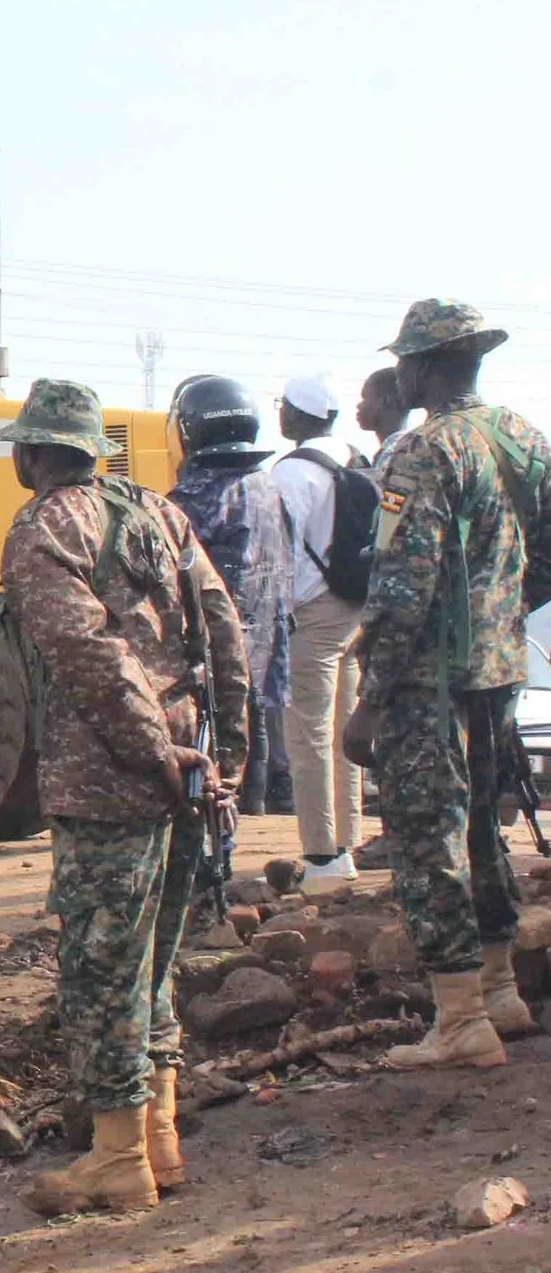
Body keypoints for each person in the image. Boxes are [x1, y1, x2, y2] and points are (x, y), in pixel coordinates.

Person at [0, 380, 248, 1216]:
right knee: (154, 959)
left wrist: (154, 754)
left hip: (113, 778)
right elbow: (225, 628)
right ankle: (160, 1136)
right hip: (181, 767)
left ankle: (115, 1156)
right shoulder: (160, 514)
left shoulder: (44, 527)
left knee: (104, 966)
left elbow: (93, 658)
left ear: (35, 453)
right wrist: (223, 758)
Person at [342, 301, 551, 1069]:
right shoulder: (520, 437)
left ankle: (460, 1018)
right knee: (480, 832)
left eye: (404, 360)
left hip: (429, 679)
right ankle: (499, 991)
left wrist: (370, 700)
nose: (398, 372)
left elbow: (402, 585)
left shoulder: (424, 451)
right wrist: (506, 608)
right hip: (498, 668)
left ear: (425, 366)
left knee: (428, 837)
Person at [165, 375, 291, 818]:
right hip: (264, 649)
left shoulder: (187, 501)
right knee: (252, 745)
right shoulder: (267, 489)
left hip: (214, 659)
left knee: (218, 765)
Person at [269, 373, 364, 890]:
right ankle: (345, 845)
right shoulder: (354, 458)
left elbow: (277, 555)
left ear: (301, 414)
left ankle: (322, 857)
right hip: (356, 610)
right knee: (345, 731)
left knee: (306, 733)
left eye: (283, 405)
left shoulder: (291, 475)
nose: (279, 413)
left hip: (313, 613)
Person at [359, 366, 413, 472]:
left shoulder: (395, 454)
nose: (358, 405)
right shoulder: (405, 448)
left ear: (385, 401)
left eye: (365, 398)